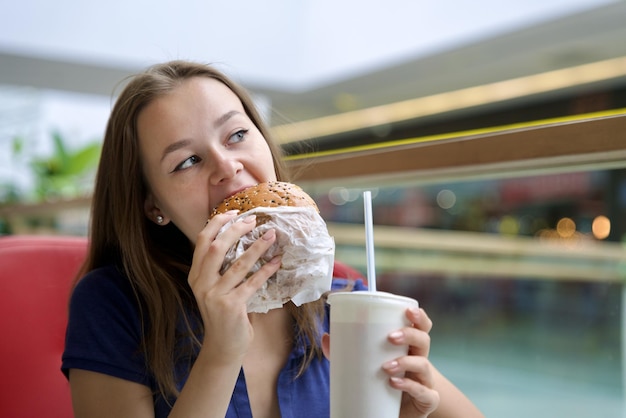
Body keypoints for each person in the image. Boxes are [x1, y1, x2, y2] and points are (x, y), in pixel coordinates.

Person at [62, 60, 484, 418]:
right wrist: (221, 353)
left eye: (237, 135)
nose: (227, 166)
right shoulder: (111, 304)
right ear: (153, 204)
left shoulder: (345, 299)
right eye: (187, 160)